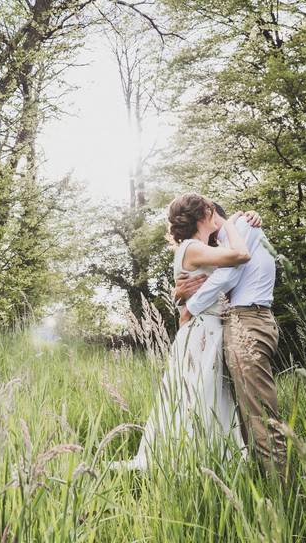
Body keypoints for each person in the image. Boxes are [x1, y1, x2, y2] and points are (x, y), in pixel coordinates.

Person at [110, 193, 261, 471]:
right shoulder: (192, 247)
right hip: (202, 333)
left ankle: (209, 464)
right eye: (211, 209)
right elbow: (240, 255)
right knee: (197, 401)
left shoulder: (199, 247)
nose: (215, 212)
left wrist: (248, 216)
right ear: (205, 214)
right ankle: (189, 465)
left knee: (205, 400)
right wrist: (231, 224)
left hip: (207, 330)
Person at [174, 199, 286, 473]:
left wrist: (190, 306)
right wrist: (179, 293)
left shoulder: (240, 226)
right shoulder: (222, 241)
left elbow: (227, 278)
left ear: (212, 215)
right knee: (240, 414)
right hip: (236, 322)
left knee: (258, 416)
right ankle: (258, 484)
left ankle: (283, 499)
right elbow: (203, 278)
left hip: (247, 321)